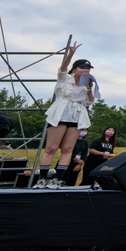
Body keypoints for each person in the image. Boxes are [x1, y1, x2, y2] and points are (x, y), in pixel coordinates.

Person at [37, 43, 94, 189]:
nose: (84, 71)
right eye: (82, 68)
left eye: (87, 69)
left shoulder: (86, 84)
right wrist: (71, 54)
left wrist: (90, 88)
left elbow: (90, 101)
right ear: (74, 69)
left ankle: (57, 179)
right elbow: (63, 68)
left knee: (68, 149)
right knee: (51, 148)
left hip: (77, 115)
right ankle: (42, 179)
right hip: (61, 112)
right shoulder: (65, 79)